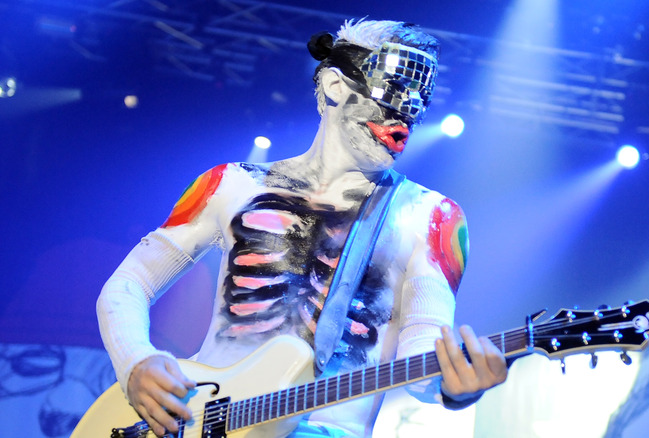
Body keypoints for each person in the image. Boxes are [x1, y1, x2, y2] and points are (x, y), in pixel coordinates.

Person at [96, 19, 508, 438]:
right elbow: (129, 283)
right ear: (334, 85)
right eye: (390, 91)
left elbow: (423, 356)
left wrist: (454, 385)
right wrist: (135, 362)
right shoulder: (231, 183)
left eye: (419, 100)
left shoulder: (432, 217)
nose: (406, 111)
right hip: (198, 422)